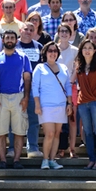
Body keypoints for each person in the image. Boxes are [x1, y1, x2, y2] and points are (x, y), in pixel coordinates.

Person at [0, 30, 32, 169]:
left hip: (19, 97)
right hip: (1, 97)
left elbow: (27, 78)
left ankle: (16, 160)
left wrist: (26, 97)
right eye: (7, 37)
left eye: (12, 38)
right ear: (3, 40)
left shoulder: (23, 57)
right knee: (0, 131)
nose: (9, 40)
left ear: (17, 40)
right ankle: (3, 160)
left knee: (19, 131)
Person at [33, 42, 73, 170]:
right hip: (46, 105)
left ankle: (52, 160)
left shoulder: (63, 68)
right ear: (45, 52)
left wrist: (69, 103)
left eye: (55, 51)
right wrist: (37, 104)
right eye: (50, 50)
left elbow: (68, 86)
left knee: (57, 134)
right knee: (49, 133)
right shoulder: (40, 68)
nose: (52, 53)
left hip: (61, 105)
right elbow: (35, 87)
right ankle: (45, 160)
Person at [75, 39, 96, 170]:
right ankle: (91, 159)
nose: (87, 50)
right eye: (85, 48)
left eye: (90, 48)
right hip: (83, 102)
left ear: (95, 50)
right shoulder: (79, 67)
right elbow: (74, 81)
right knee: (87, 132)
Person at [13, 22, 44, 158]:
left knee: (33, 118)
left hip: (34, 88)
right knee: (14, 118)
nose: (28, 31)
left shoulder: (39, 47)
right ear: (20, 30)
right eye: (26, 29)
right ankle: (12, 148)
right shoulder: (14, 45)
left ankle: (32, 147)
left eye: (31, 29)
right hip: (15, 87)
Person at [55, 22, 80, 158]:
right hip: (56, 89)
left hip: (71, 86)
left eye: (67, 31)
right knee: (60, 119)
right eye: (62, 31)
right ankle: (60, 148)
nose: (64, 34)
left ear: (70, 34)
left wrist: (70, 81)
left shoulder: (75, 50)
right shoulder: (53, 49)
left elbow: (77, 68)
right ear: (58, 33)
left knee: (72, 119)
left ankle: (72, 148)